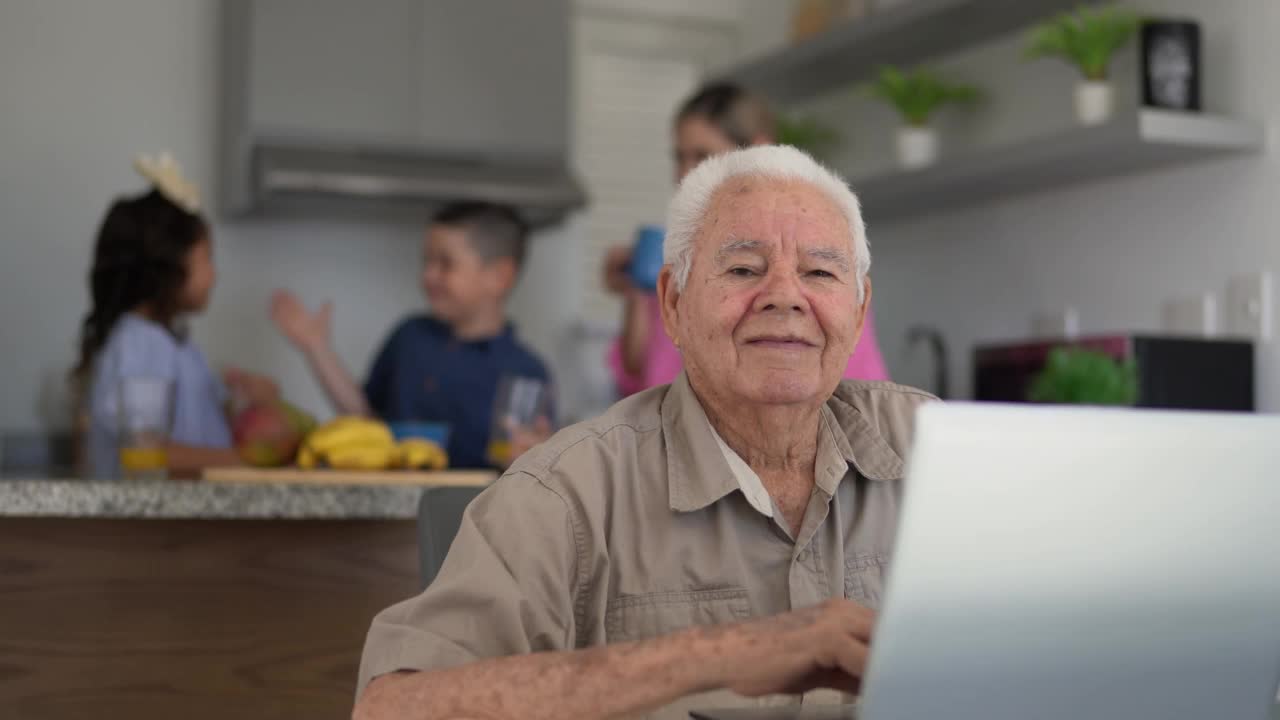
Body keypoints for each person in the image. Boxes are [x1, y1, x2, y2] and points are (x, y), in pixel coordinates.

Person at [353, 146, 935, 720]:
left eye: (819, 271)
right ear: (673, 304)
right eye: (742, 269)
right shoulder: (566, 495)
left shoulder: (939, 454)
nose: (785, 295)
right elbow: (393, 708)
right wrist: (715, 654)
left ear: (858, 312)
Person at [603, 81, 890, 395]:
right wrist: (636, 288)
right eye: (679, 157)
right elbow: (640, 372)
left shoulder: (826, 260)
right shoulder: (680, 255)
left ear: (757, 150)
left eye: (702, 156)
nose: (684, 174)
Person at [272, 201, 553, 469]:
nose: (429, 275)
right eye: (426, 261)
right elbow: (364, 420)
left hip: (473, 513)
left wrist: (532, 455)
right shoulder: (409, 337)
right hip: (390, 511)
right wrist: (317, 348)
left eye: (445, 264)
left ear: (499, 277)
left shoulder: (526, 370)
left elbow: (522, 456)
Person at [77, 154, 277, 478]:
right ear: (170, 266)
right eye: (207, 259)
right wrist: (244, 463)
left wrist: (241, 401)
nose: (215, 274)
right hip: (150, 524)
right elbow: (145, 451)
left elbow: (191, 424)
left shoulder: (170, 343)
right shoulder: (139, 343)